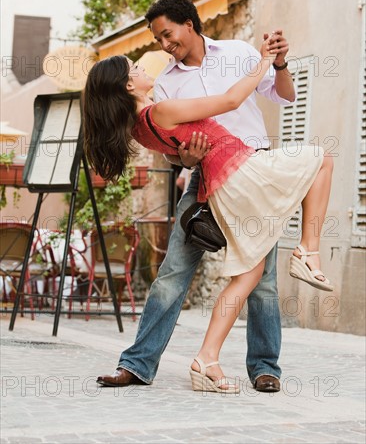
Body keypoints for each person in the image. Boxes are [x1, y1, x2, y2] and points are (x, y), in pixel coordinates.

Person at [83, 44, 334, 393]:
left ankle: (208, 359)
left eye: (166, 34)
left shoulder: (139, 127)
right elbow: (231, 101)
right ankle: (308, 251)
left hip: (223, 181)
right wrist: (264, 59)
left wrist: (186, 154)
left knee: (251, 275)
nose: (145, 66)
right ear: (127, 86)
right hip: (240, 173)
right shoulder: (163, 107)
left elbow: (181, 146)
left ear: (188, 27)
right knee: (321, 159)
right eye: (135, 67)